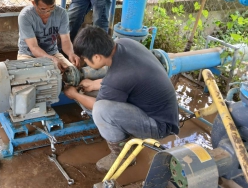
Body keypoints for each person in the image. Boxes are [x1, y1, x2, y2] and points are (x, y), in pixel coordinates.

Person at [64, 26, 179, 173]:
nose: (85, 61)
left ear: (97, 57)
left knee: (100, 110)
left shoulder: (120, 76)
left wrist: (75, 95)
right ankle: (125, 131)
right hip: (162, 110)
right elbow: (118, 78)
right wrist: (93, 84)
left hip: (160, 126)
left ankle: (122, 155)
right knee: (96, 97)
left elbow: (98, 103)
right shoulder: (125, 43)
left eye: (86, 59)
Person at [17, 0, 80, 70]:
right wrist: (51, 59)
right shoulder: (25, 16)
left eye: (51, 7)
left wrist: (71, 53)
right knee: (30, 77)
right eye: (43, 9)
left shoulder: (61, 13)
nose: (47, 12)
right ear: (33, 3)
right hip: (28, 54)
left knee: (72, 74)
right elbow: (34, 47)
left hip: (52, 53)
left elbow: (65, 40)